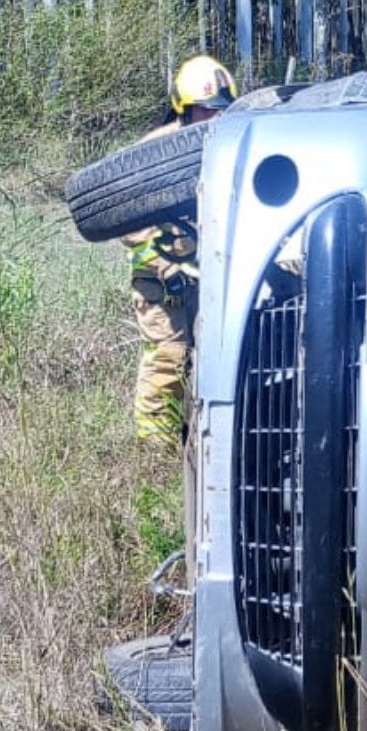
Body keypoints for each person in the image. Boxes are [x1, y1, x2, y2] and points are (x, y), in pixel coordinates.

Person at [121, 55, 237, 447]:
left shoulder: (229, 147)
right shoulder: (154, 153)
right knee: (169, 357)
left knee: (211, 358)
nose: (212, 118)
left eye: (219, 110)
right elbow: (129, 221)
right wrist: (164, 259)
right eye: (205, 110)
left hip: (210, 278)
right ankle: (155, 449)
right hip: (160, 282)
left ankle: (201, 441)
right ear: (184, 109)